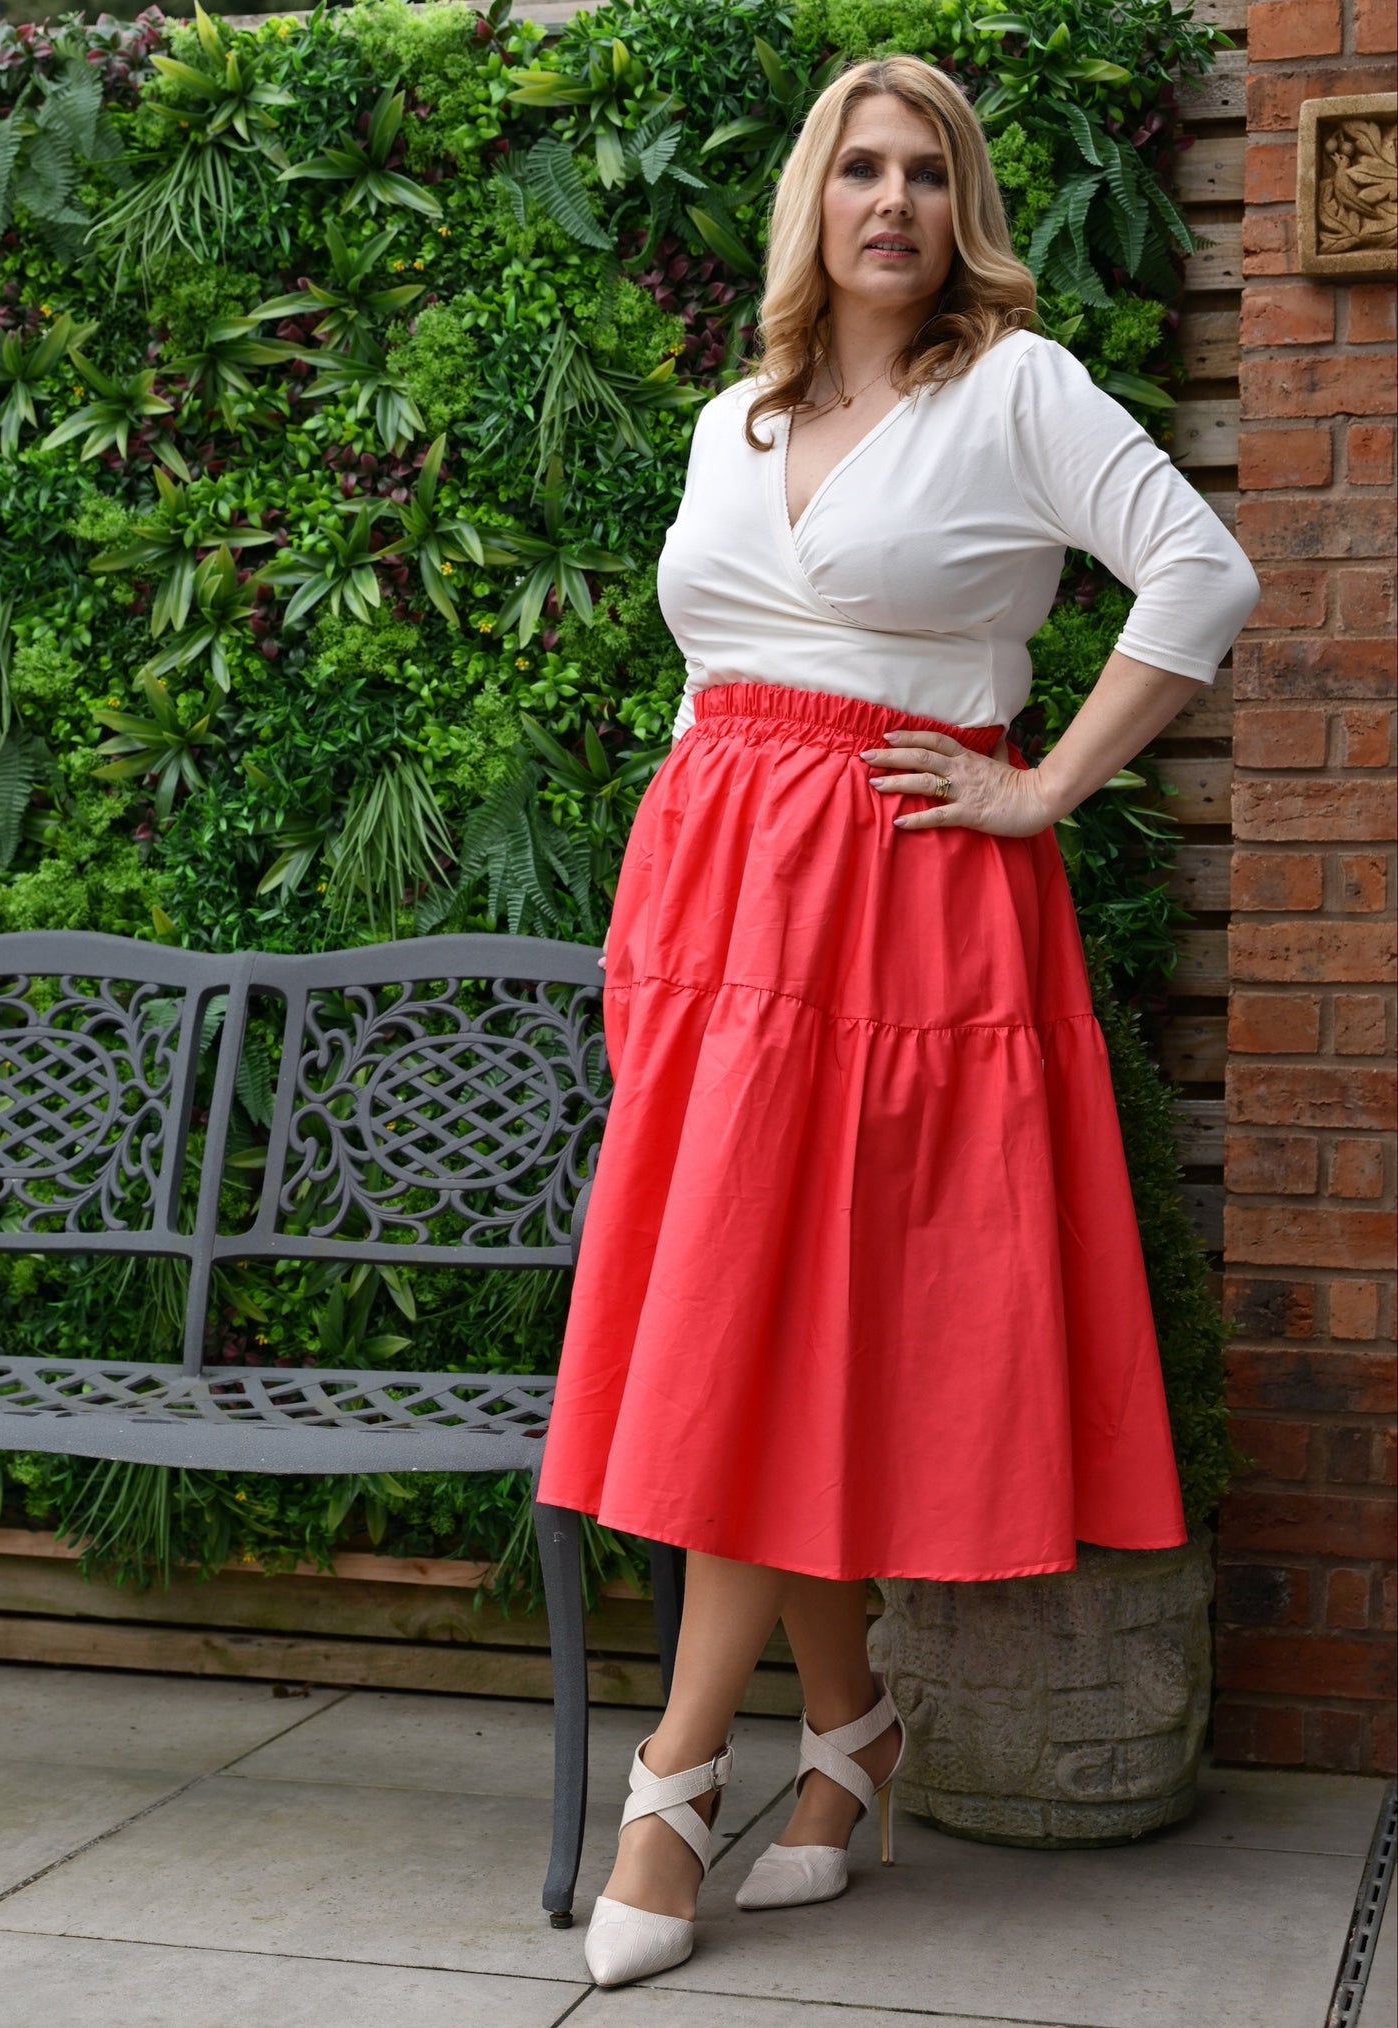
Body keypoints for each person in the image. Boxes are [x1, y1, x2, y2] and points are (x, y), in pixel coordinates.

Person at [533, 53, 1262, 1992]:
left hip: (902, 921)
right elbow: (712, 681)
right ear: (810, 198)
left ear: (965, 210)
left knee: (754, 1330)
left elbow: (1204, 570)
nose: (890, 202)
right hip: (713, 912)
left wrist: (1042, 790)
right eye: (858, 167)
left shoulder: (1016, 390)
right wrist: (654, 916)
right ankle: (851, 1736)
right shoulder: (737, 411)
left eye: (927, 173)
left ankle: (676, 1786)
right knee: (766, 1320)